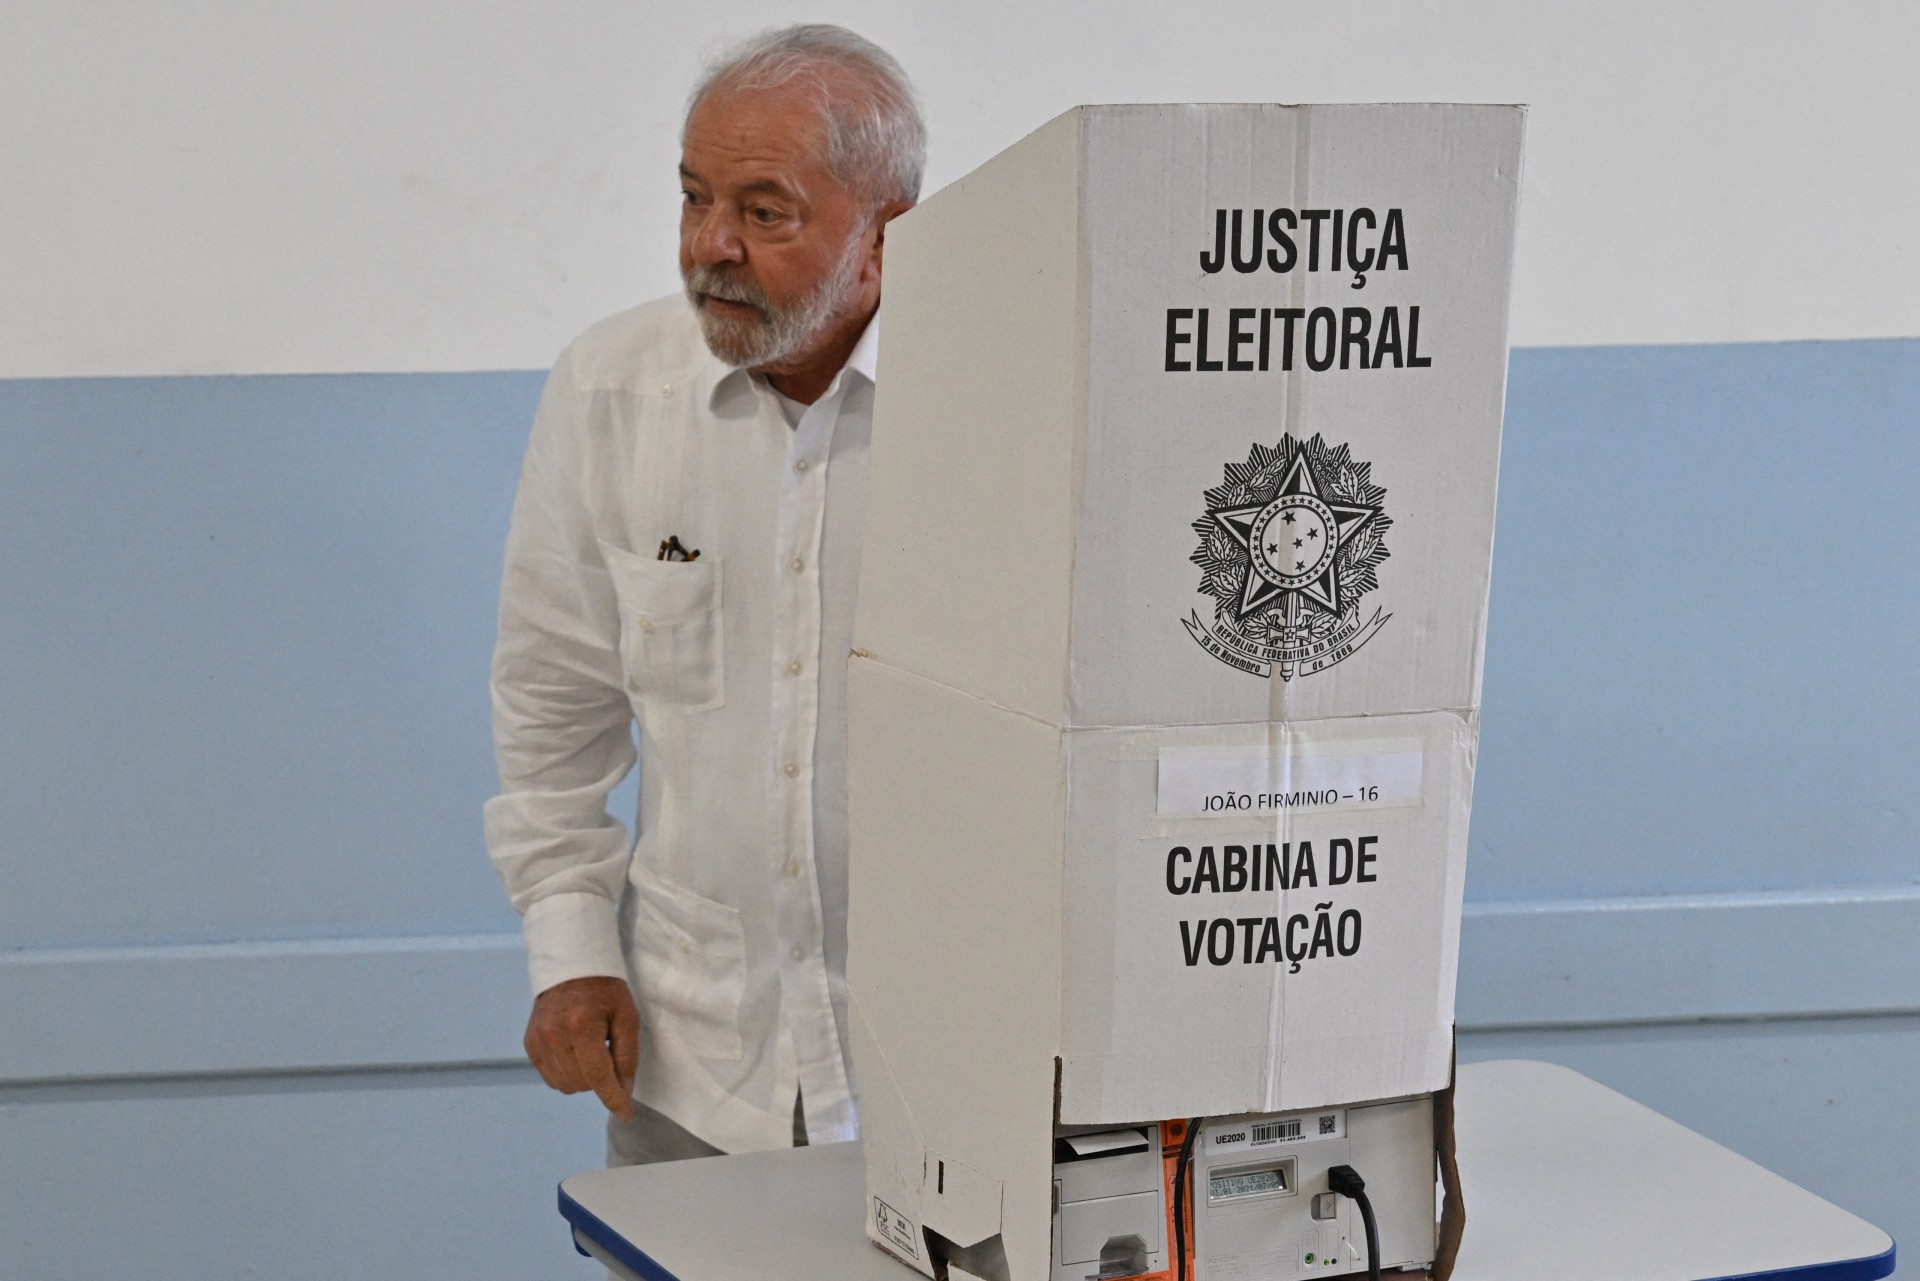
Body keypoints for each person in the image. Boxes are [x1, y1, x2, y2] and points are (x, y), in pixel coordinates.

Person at [483, 23, 923, 1165]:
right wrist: (569, 948)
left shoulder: (1002, 401)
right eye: (692, 199)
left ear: (884, 238)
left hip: (944, 1072)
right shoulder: (612, 388)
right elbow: (552, 703)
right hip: (694, 1065)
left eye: (764, 212)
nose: (709, 247)